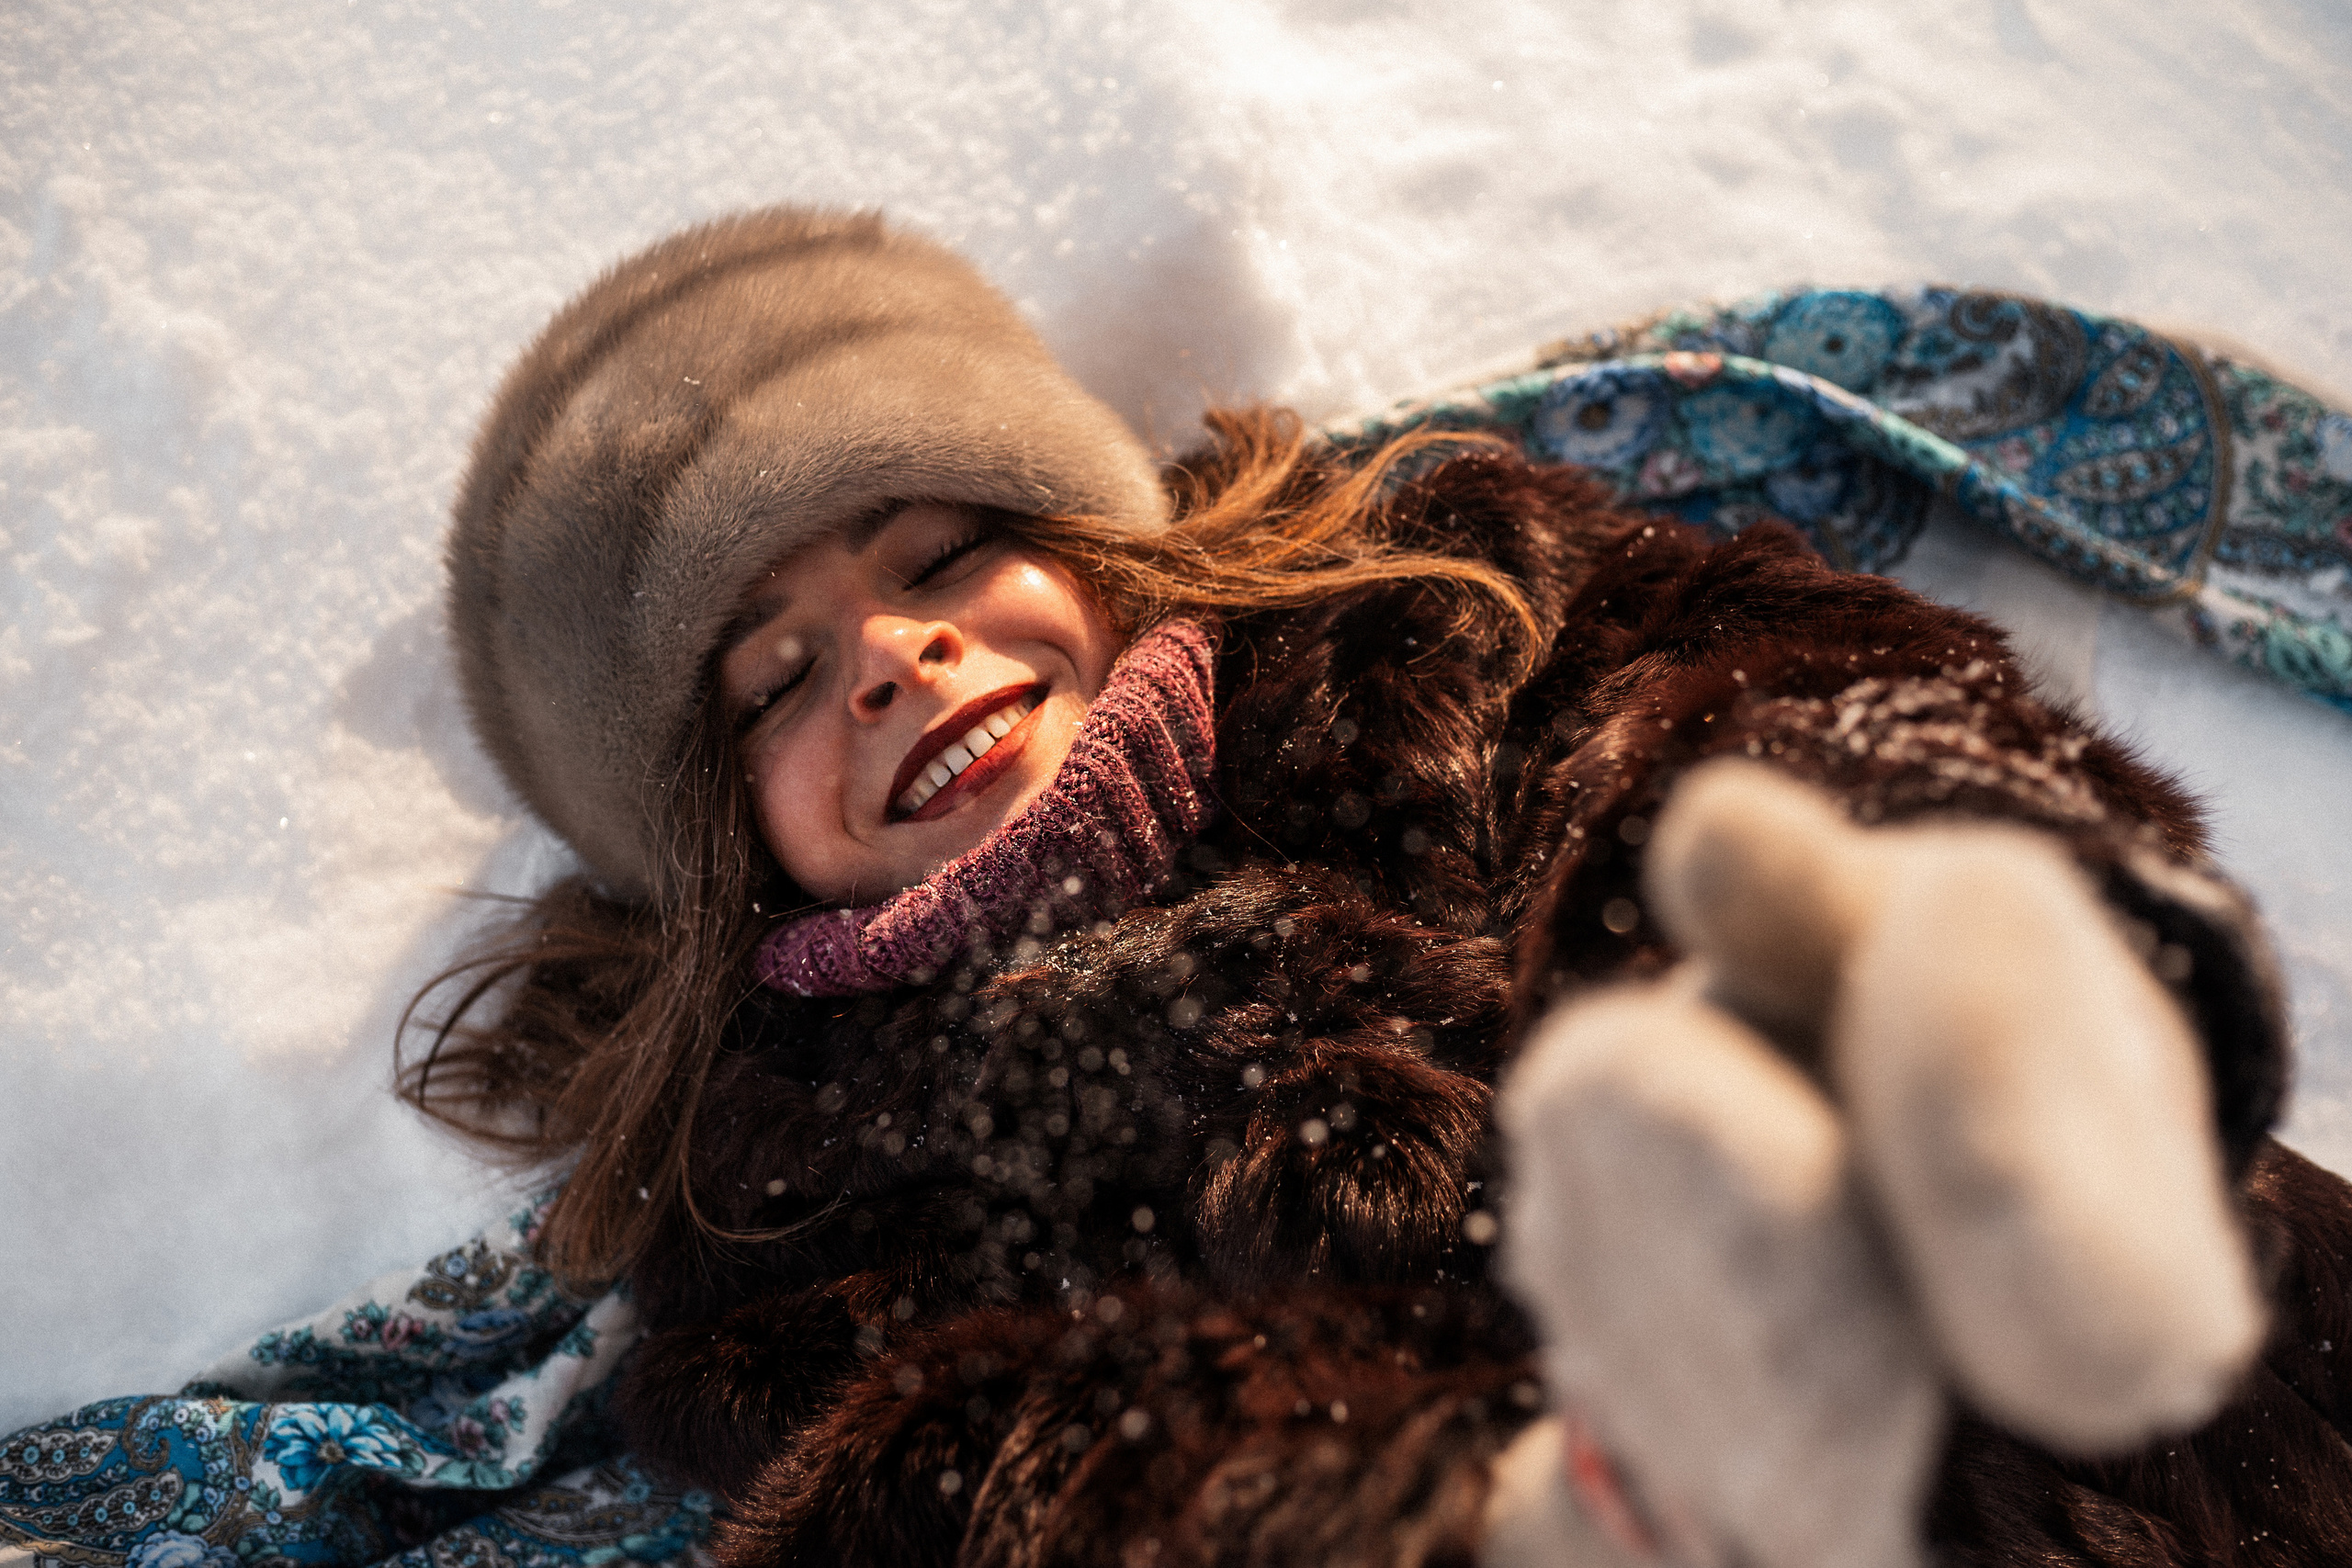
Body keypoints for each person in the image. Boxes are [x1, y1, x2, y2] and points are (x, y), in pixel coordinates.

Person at [411, 204, 2352, 1567]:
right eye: (775, 678)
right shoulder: (789, 1236)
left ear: (1079, 541)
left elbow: (1771, 712)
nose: (893, 658)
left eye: (932, 553)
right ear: (715, 837)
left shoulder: (1440, 631)